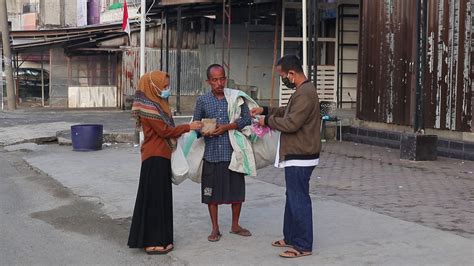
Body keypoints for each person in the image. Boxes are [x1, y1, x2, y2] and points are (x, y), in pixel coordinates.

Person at [251, 55, 321, 258]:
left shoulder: (305, 93)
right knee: (292, 196)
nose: (283, 79)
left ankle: (303, 245)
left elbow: (291, 123)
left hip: (301, 155)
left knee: (299, 199)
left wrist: (267, 121)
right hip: (296, 154)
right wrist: (265, 110)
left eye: (282, 75)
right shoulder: (301, 92)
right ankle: (290, 237)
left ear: (292, 73)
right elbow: (286, 111)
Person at [127, 70, 203, 255]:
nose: (167, 89)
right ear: (153, 86)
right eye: (164, 86)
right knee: (154, 200)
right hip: (154, 157)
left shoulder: (159, 104)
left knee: (161, 199)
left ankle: (163, 239)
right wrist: (188, 127)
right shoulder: (149, 108)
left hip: (161, 156)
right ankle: (153, 242)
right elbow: (164, 131)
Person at [193, 64, 252, 242]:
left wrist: (227, 127)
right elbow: (196, 125)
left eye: (222, 79)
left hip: (233, 152)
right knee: (211, 194)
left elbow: (247, 118)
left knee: (237, 191)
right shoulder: (202, 101)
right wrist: (203, 131)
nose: (219, 83)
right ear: (208, 81)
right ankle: (215, 228)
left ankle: (235, 225)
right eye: (215, 80)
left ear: (225, 78)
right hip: (211, 154)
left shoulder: (235, 98)